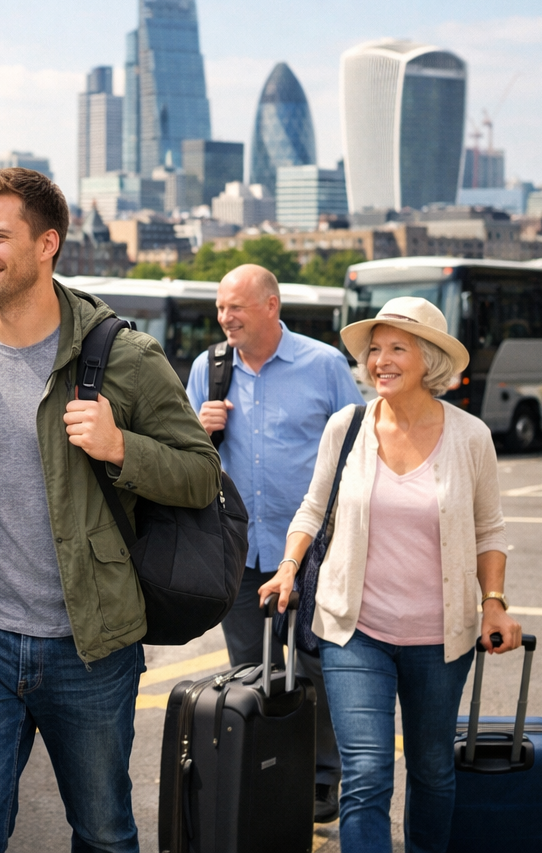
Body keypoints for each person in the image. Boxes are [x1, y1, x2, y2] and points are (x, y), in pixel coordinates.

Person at [0, 167, 218, 853]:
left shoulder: (122, 355)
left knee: (102, 831)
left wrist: (122, 447)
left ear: (47, 245)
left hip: (89, 644)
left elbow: (201, 474)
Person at [260, 296, 521, 853]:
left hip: (440, 639)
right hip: (356, 630)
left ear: (428, 360)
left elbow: (489, 531)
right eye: (374, 350)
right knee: (368, 773)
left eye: (396, 348)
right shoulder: (347, 425)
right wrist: (288, 568)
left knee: (431, 773)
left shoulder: (470, 436)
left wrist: (493, 601)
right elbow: (312, 507)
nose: (380, 360)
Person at [185, 263, 363, 822]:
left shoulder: (325, 365)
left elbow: (359, 449)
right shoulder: (208, 368)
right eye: (220, 308)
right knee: (252, 671)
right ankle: (266, 768)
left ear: (270, 305)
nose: (224, 318)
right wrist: (198, 424)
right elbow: (183, 458)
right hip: (237, 552)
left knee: (316, 669)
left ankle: (321, 780)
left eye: (235, 307)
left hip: (313, 555)